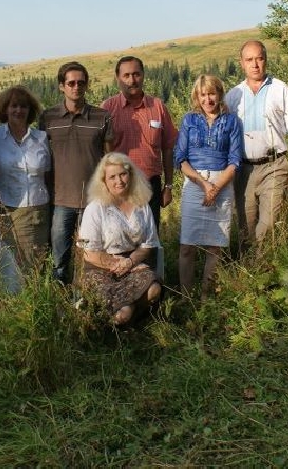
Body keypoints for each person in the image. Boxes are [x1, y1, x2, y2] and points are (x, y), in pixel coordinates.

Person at [225, 40, 288, 261]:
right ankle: (250, 275)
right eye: (249, 60)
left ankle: (264, 267)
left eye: (259, 58)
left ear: (266, 60)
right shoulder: (233, 96)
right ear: (241, 63)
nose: (255, 65)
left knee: (268, 223)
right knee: (246, 226)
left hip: (275, 165)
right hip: (243, 170)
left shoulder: (281, 90)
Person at [39, 61, 113, 284]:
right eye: (71, 82)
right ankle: (60, 305)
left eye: (81, 82)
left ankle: (84, 303)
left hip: (94, 202)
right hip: (60, 200)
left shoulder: (102, 117)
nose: (76, 87)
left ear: (87, 85)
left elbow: (109, 159)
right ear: (61, 86)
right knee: (59, 260)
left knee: (89, 259)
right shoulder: (48, 118)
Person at [174, 75, 243, 299]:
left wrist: (216, 187)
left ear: (220, 94)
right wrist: (204, 184)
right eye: (203, 94)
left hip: (223, 184)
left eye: (211, 93)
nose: (208, 99)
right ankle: (186, 297)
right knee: (188, 246)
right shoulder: (189, 120)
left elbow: (235, 160)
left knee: (216, 246)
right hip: (195, 185)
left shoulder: (232, 121)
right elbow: (180, 159)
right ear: (197, 96)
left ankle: (206, 297)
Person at [77, 152, 162, 326]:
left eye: (123, 174)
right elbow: (89, 253)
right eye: (112, 177)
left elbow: (148, 244)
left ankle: (131, 323)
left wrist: (130, 262)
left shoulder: (142, 204)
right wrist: (117, 265)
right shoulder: (95, 208)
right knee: (122, 314)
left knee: (154, 290)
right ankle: (104, 325)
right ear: (104, 182)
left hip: (132, 263)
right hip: (100, 267)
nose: (119, 181)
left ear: (131, 175)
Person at [100, 56, 178, 231]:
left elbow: (167, 148)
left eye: (136, 74)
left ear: (143, 75)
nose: (132, 80)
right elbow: (101, 151)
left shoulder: (157, 106)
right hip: (118, 187)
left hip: (150, 186)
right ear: (117, 78)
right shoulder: (107, 108)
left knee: (150, 240)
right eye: (126, 75)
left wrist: (168, 186)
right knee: (119, 239)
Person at [0, 86, 52, 276]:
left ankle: (35, 303)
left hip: (37, 212)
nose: (19, 110)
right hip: (6, 212)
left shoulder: (41, 138)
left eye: (24, 106)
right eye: (14, 106)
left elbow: (48, 172)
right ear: (5, 109)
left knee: (35, 267)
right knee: (10, 268)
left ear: (30, 110)